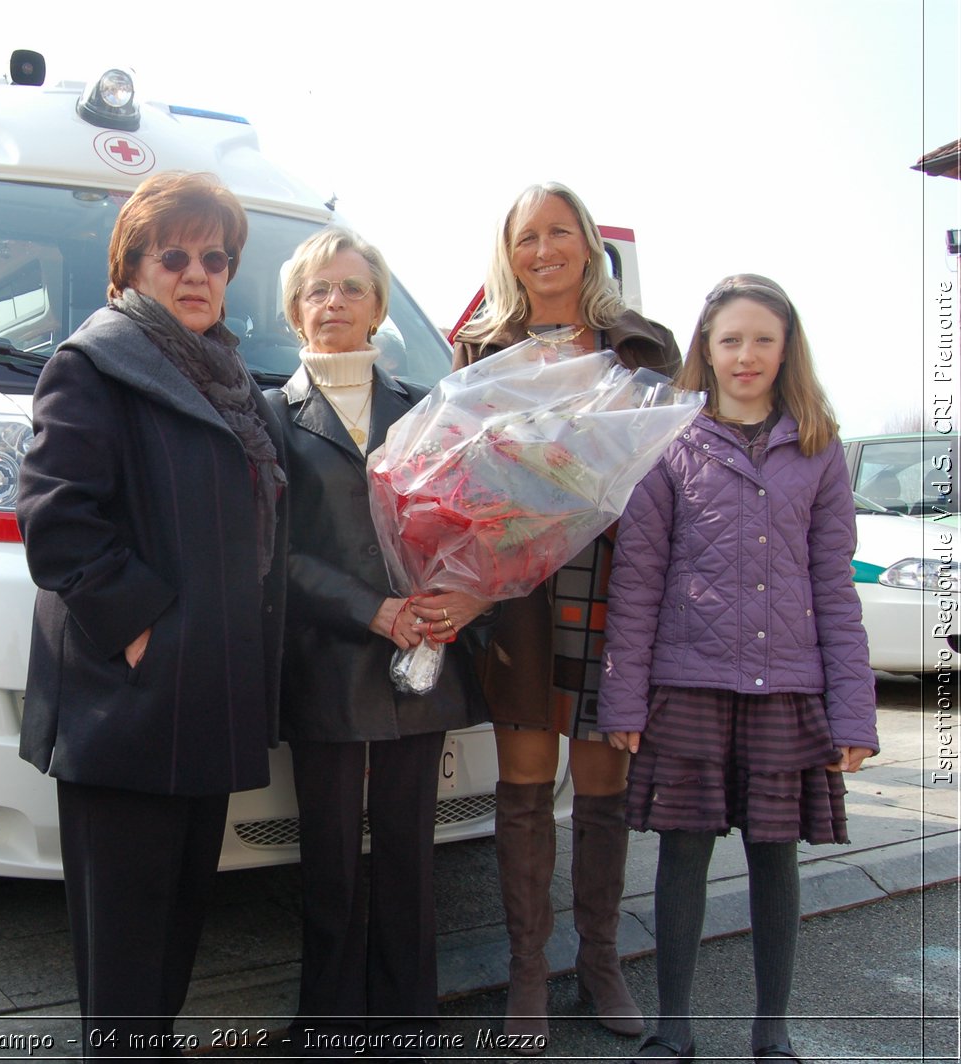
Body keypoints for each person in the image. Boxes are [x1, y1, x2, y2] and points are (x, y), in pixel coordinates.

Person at [16, 170, 287, 1057]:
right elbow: (58, 524)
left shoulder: (231, 380)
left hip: (204, 692)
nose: (198, 272)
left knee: (175, 930)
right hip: (130, 705)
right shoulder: (92, 364)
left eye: (216, 257)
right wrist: (146, 637)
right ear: (130, 268)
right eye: (173, 256)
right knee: (126, 948)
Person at [600, 274, 878, 1063]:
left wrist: (854, 713)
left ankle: (772, 1031)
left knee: (773, 858)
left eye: (763, 338)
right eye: (730, 340)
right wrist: (624, 699)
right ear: (706, 350)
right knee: (682, 853)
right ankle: (673, 1025)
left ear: (786, 347)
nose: (746, 355)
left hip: (787, 691)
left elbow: (835, 586)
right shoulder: (671, 442)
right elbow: (639, 579)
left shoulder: (820, 450)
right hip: (686, 684)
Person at [441, 182, 682, 1051]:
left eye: (559, 233)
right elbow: (455, 476)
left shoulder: (644, 347)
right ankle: (530, 975)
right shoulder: (478, 352)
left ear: (588, 244)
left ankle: (603, 963)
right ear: (508, 255)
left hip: (616, 583)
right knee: (525, 784)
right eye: (525, 238)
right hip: (520, 595)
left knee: (604, 783)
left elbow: (671, 474)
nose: (543, 251)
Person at [266, 227, 485, 1055]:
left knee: (406, 852)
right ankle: (324, 1019)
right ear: (294, 309)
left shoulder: (426, 409)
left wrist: (460, 596)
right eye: (318, 290)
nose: (334, 303)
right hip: (324, 661)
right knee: (326, 854)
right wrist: (371, 608)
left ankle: (407, 1017)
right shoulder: (270, 416)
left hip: (417, 661)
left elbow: (464, 525)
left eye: (352, 288)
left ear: (379, 307)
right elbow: (275, 552)